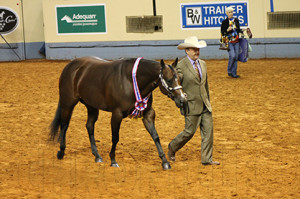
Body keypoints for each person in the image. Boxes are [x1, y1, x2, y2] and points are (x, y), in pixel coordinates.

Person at [168, 36, 220, 166]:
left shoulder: (203, 64)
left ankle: (207, 159)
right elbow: (176, 86)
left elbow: (205, 85)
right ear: (187, 51)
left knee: (208, 132)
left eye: (198, 49)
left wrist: (208, 101)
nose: (197, 52)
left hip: (205, 105)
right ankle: (173, 146)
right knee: (189, 132)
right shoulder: (180, 66)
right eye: (194, 49)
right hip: (191, 105)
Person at [221, 7, 243, 78]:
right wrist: (227, 30)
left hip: (236, 41)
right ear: (227, 13)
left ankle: (234, 73)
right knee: (232, 56)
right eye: (229, 12)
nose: (231, 13)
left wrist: (242, 31)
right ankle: (229, 71)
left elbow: (238, 29)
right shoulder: (224, 22)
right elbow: (222, 32)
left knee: (236, 57)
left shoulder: (236, 20)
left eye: (232, 12)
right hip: (229, 42)